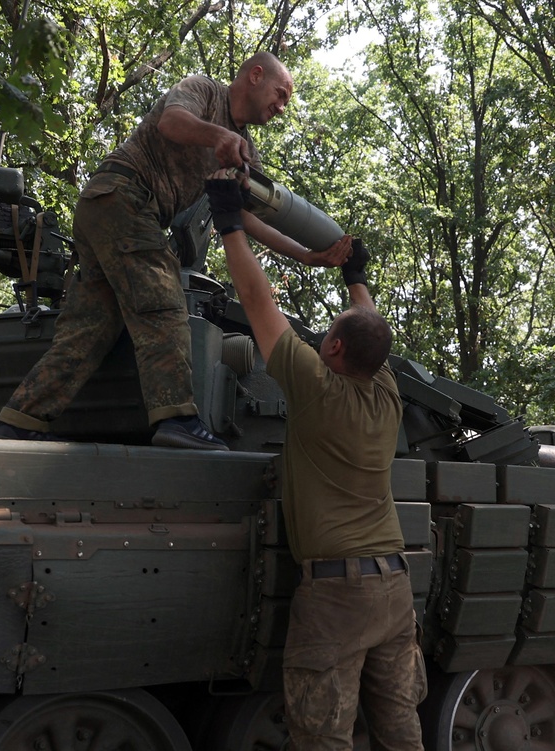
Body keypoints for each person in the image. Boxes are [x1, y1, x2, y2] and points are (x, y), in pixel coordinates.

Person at [0, 52, 350, 450]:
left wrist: (306, 255)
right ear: (255, 75)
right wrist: (218, 136)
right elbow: (170, 122)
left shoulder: (244, 148)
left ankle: (20, 420)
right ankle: (177, 419)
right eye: (280, 95)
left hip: (116, 212)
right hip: (121, 196)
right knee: (165, 300)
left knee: (90, 330)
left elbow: (244, 217)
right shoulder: (203, 91)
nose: (281, 108)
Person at [203, 175, 426, 749]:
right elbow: (370, 331)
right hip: (394, 586)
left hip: (337, 595)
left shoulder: (317, 390)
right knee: (400, 727)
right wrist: (357, 279)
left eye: (326, 336)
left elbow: (258, 302)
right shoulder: (386, 393)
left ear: (331, 350)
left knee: (324, 734)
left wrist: (230, 224)